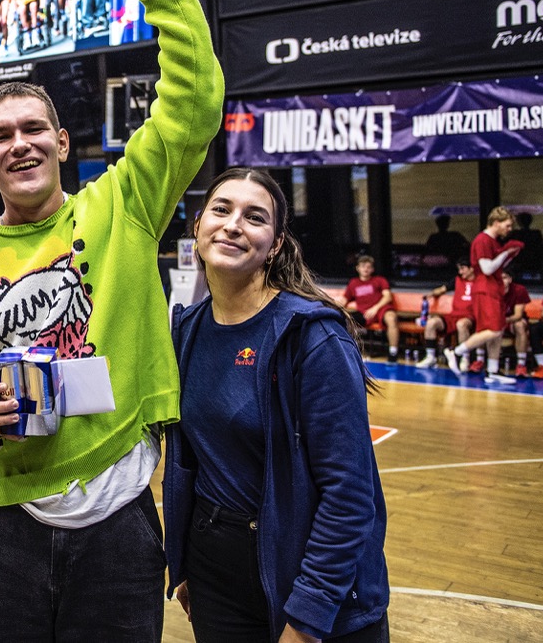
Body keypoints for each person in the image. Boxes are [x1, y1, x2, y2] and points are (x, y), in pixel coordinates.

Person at [0, 0, 223, 640]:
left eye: (33, 129)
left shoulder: (123, 206)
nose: (18, 143)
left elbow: (194, 107)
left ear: (61, 142)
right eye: (0, 137)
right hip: (1, 516)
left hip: (120, 517)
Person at [167, 168, 389, 643]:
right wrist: (185, 560)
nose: (233, 225)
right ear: (198, 226)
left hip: (305, 571)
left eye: (254, 217)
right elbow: (192, 462)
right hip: (215, 574)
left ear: (275, 245)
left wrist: (309, 615)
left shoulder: (313, 336)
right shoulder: (187, 329)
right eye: (221, 210)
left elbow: (351, 494)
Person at [444, 207, 522, 383]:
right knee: (493, 330)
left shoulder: (493, 241)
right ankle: (455, 352)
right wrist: (506, 252)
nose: (510, 229)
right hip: (485, 289)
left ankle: (493, 370)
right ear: (496, 223)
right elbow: (487, 269)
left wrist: (509, 255)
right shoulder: (482, 240)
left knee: (498, 330)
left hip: (494, 288)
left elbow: (497, 266)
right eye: (507, 225)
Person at [340, 254, 400, 363]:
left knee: (391, 318)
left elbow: (388, 297)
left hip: (381, 309)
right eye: (363, 266)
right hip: (364, 313)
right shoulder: (353, 283)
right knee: (345, 320)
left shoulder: (380, 280)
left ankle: (393, 352)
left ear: (372, 269)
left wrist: (375, 308)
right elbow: (344, 300)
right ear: (358, 268)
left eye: (368, 267)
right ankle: (349, 351)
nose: (366, 269)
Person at [416, 261, 475, 368]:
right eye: (459, 269)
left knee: (461, 324)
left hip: (470, 317)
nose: (460, 272)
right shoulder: (457, 280)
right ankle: (430, 357)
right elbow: (442, 289)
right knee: (431, 323)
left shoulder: (480, 281)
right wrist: (431, 294)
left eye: (463, 268)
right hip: (453, 316)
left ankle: (464, 358)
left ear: (471, 268)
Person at [499, 269, 531, 377]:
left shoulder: (519, 290)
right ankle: (482, 361)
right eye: (499, 278)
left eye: (504, 278)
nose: (501, 281)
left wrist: (501, 321)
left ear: (510, 279)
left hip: (512, 320)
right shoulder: (491, 291)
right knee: (483, 325)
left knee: (520, 325)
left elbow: (518, 315)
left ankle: (521, 364)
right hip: (497, 320)